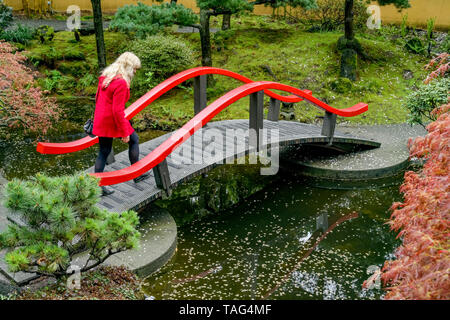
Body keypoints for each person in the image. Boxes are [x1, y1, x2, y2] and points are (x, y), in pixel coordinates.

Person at [92, 52, 149, 196]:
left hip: (101, 118)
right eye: (134, 68)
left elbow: (97, 99)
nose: (135, 71)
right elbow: (117, 111)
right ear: (128, 67)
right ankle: (136, 174)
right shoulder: (121, 83)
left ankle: (97, 185)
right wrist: (124, 133)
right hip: (112, 120)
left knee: (104, 151)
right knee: (134, 140)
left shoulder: (106, 77)